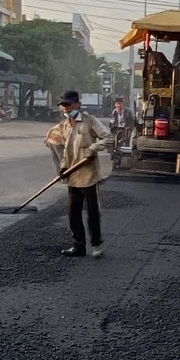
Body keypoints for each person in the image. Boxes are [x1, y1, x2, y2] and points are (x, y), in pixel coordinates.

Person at [49, 90, 110, 259]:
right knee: (73, 212)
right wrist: (62, 167)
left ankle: (97, 244)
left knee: (92, 212)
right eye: (63, 106)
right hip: (73, 176)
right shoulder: (64, 126)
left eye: (68, 105)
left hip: (89, 174)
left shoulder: (89, 121)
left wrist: (93, 148)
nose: (65, 108)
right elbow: (61, 149)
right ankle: (78, 246)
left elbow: (108, 138)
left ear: (77, 104)